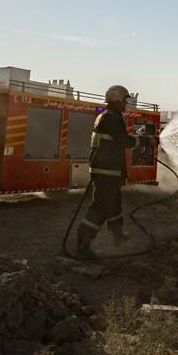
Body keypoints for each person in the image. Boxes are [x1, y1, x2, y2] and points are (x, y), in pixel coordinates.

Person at [76, 84, 132, 258]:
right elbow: (124, 141)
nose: (126, 105)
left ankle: (118, 236)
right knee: (100, 207)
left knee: (114, 203)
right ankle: (83, 245)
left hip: (108, 170)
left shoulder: (106, 116)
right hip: (106, 170)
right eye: (124, 101)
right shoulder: (112, 118)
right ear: (116, 100)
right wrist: (149, 141)